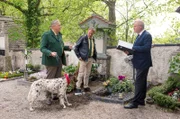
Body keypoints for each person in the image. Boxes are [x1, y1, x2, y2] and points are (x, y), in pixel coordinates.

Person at [40, 19, 72, 104]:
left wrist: (68, 47)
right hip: (50, 61)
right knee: (50, 80)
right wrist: (50, 53)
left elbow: (60, 46)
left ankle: (55, 95)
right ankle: (48, 97)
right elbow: (42, 48)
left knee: (57, 79)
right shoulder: (46, 35)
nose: (60, 26)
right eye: (59, 25)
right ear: (53, 26)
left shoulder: (59, 35)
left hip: (59, 60)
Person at [124, 19, 152, 109]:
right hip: (139, 62)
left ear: (140, 26)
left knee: (138, 83)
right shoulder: (139, 36)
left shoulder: (147, 35)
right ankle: (141, 100)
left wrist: (133, 47)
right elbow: (136, 50)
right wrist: (129, 52)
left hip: (143, 63)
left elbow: (146, 48)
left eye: (135, 26)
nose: (133, 28)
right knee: (142, 82)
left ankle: (135, 103)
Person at [74, 28, 97, 95]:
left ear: (93, 34)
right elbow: (76, 47)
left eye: (91, 33)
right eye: (89, 33)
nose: (90, 34)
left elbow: (93, 48)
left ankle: (86, 86)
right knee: (81, 73)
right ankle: (78, 87)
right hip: (83, 59)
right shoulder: (83, 38)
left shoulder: (93, 39)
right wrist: (79, 56)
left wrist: (94, 56)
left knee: (87, 73)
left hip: (90, 58)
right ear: (88, 31)